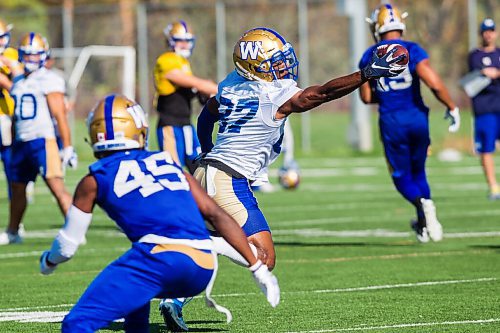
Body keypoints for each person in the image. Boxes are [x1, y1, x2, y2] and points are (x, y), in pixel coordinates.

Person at [158, 26, 407, 330]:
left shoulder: (231, 84)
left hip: (206, 173)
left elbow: (206, 116)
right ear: (255, 67)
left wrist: (206, 151)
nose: (283, 66)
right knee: (263, 256)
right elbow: (323, 93)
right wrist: (365, 74)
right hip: (228, 180)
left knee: (227, 239)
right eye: (273, 63)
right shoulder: (274, 94)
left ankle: (176, 298)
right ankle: (196, 251)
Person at [38, 94, 279, 333]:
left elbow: (68, 247)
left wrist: (48, 261)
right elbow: (217, 215)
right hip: (202, 266)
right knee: (136, 308)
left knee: (76, 323)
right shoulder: (167, 164)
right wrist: (257, 269)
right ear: (139, 130)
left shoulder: (93, 179)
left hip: (159, 259)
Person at [359, 4, 460, 243]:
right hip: (417, 117)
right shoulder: (412, 49)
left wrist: (384, 93)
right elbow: (433, 82)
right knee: (419, 172)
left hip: (392, 120)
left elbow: (366, 98)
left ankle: (423, 206)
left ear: (377, 27)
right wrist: (451, 106)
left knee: (401, 176)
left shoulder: (369, 54)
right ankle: (424, 223)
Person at [0, 32, 77, 245]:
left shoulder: (49, 79)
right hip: (22, 142)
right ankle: (13, 231)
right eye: (27, 55)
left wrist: (68, 146)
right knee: (17, 189)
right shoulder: (20, 79)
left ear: (44, 55)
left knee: (57, 187)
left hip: (43, 140)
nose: (31, 59)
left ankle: (75, 230)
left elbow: (60, 115)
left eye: (36, 55)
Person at [154, 20, 218, 173]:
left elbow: (193, 87)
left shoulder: (183, 62)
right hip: (170, 125)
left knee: (199, 169)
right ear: (171, 41)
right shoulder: (166, 60)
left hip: (186, 125)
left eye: (188, 40)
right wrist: (217, 89)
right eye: (180, 40)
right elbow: (189, 81)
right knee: (173, 172)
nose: (185, 44)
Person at [467, 18, 500, 200]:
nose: (489, 34)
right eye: (485, 30)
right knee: (486, 149)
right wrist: (484, 73)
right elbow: (475, 74)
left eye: (492, 30)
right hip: (484, 109)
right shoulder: (475, 56)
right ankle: (493, 186)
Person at [0, 19, 17, 200]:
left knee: (10, 163)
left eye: (2, 37)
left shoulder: (12, 55)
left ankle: (15, 219)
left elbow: (18, 85)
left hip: (7, 116)